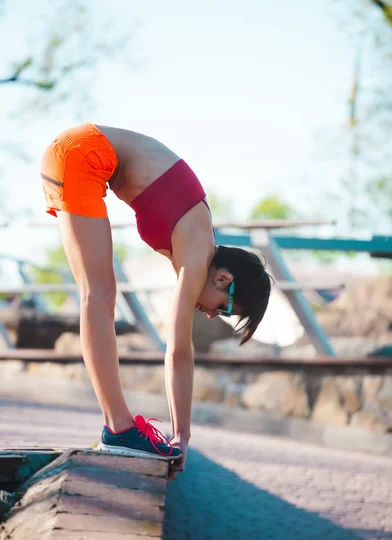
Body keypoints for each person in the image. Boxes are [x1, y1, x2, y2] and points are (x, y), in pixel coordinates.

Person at [40, 123, 271, 481]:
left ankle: (116, 427)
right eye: (224, 308)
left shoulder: (194, 247)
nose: (213, 314)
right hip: (83, 153)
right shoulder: (196, 258)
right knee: (98, 294)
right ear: (223, 278)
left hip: (75, 154)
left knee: (98, 293)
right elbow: (179, 352)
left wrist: (179, 434)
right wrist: (183, 436)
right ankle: (118, 428)